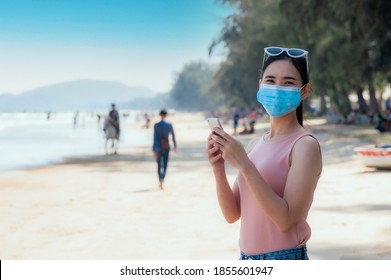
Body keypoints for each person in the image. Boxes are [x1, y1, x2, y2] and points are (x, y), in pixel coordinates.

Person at [206, 46, 322, 260]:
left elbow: (285, 220)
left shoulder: (305, 145)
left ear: (304, 91)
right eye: (270, 80)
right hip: (246, 259)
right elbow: (232, 214)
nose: (277, 88)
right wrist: (218, 168)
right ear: (260, 85)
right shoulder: (254, 144)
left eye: (288, 82)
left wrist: (245, 165)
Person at [153, 109, 177, 190]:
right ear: (166, 115)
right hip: (166, 146)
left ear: (160, 115)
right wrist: (175, 146)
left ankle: (160, 180)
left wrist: (154, 150)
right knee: (165, 165)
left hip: (158, 147)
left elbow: (155, 138)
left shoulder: (156, 125)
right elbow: (173, 136)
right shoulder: (169, 124)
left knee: (159, 165)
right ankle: (162, 180)